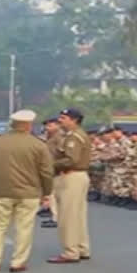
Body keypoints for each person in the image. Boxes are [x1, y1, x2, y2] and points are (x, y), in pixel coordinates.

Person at [0, 110, 56, 273]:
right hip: (29, 193)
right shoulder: (38, 145)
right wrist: (46, 192)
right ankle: (18, 262)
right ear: (29, 125)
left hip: (1, 191)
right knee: (24, 228)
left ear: (12, 124)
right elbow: (46, 172)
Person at [49, 108, 92, 263]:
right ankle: (81, 248)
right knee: (77, 216)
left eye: (63, 118)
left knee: (67, 217)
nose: (60, 120)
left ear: (74, 120)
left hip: (71, 175)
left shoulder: (74, 137)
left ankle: (70, 251)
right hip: (76, 176)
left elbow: (71, 160)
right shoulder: (72, 135)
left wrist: (50, 165)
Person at [39, 118, 63, 227]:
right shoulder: (51, 136)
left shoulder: (59, 137)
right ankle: (54, 216)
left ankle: (56, 218)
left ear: (57, 125)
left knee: (54, 195)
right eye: (46, 126)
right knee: (51, 194)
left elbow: (61, 153)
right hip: (50, 168)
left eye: (50, 126)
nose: (47, 128)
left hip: (56, 168)